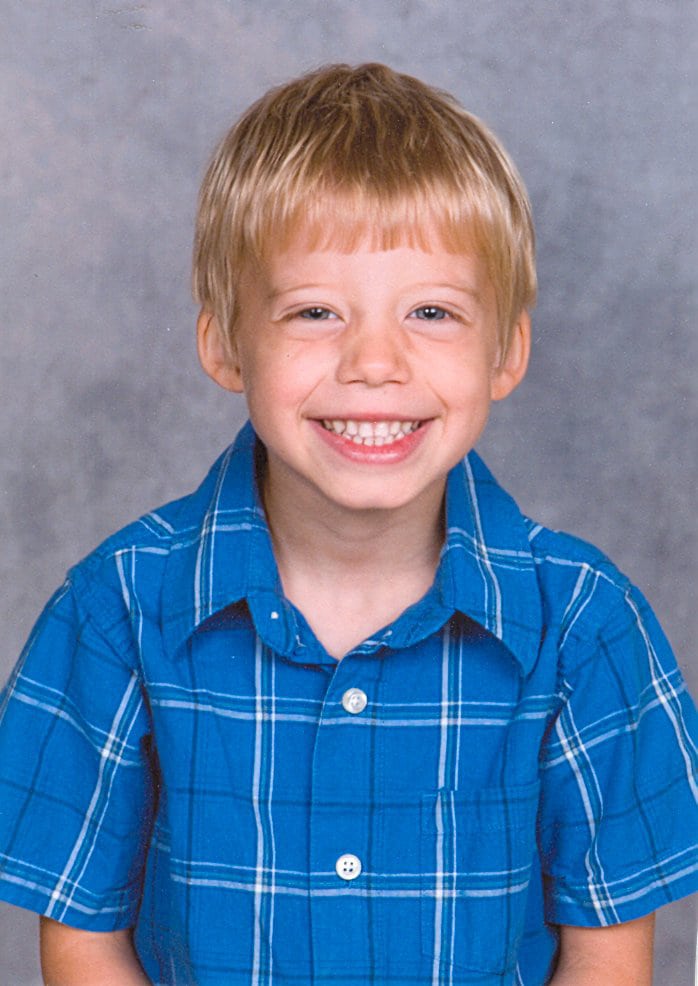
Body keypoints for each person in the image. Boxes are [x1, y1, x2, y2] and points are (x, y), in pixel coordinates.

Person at [0, 63, 696, 986]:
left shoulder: (586, 627)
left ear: (507, 352)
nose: (375, 361)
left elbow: (608, 956)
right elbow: (84, 940)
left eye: (432, 312)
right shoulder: (117, 611)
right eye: (316, 311)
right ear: (224, 343)